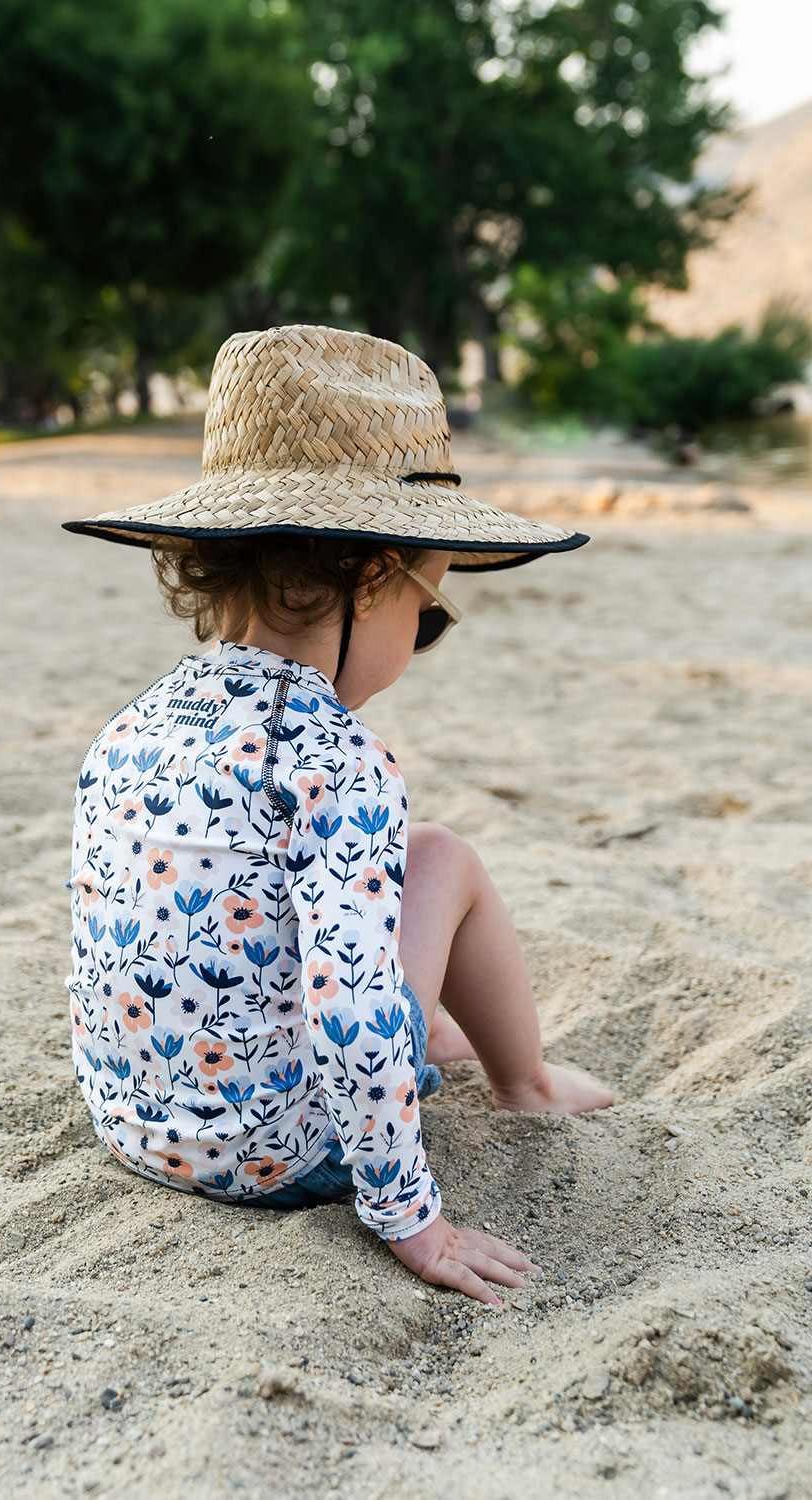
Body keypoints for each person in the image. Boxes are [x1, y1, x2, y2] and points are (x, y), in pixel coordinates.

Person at [61, 324, 614, 1304]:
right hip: (285, 1158)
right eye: (427, 610)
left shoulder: (130, 727)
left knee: (351, 894)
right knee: (441, 858)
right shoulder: (335, 756)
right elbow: (352, 1017)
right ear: (372, 576)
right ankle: (524, 1083)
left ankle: (448, 1035)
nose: (424, 634)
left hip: (137, 1129)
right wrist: (413, 1219)